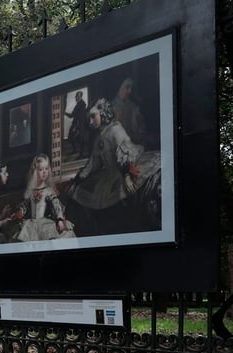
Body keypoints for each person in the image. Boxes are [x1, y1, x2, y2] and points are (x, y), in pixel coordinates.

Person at [66, 98, 161, 236]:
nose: (91, 122)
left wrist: (127, 176)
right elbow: (92, 164)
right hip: (110, 176)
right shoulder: (99, 138)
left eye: (93, 116)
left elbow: (126, 153)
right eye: (89, 119)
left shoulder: (116, 129)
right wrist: (76, 181)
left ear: (103, 113)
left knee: (129, 197)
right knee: (79, 194)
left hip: (125, 170)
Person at [17, 154, 75, 242]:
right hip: (31, 223)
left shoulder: (48, 190)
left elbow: (56, 205)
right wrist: (21, 210)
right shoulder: (30, 190)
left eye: (46, 169)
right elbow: (26, 205)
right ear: (35, 171)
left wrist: (59, 219)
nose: (44, 172)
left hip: (45, 223)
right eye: (41, 169)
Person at [111, 78, 147, 145]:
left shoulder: (133, 107)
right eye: (127, 88)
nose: (130, 91)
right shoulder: (110, 107)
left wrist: (139, 133)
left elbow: (141, 126)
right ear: (120, 89)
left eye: (131, 88)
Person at [65, 91, 90, 157]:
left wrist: (77, 125)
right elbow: (72, 115)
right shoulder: (78, 105)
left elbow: (79, 116)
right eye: (76, 96)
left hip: (80, 124)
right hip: (76, 124)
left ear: (80, 97)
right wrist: (65, 113)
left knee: (80, 139)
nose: (76, 97)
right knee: (71, 137)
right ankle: (76, 150)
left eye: (78, 96)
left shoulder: (82, 104)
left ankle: (81, 153)